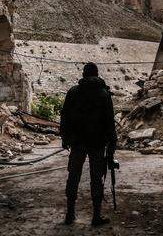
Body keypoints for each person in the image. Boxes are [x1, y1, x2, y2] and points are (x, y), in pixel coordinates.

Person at [60, 62, 117, 227]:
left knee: (73, 176)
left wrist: (65, 138)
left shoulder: (73, 92)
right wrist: (112, 143)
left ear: (84, 75)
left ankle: (70, 214)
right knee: (96, 178)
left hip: (77, 143)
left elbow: (65, 117)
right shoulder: (104, 94)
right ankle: (96, 216)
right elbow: (109, 122)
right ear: (97, 74)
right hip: (97, 143)